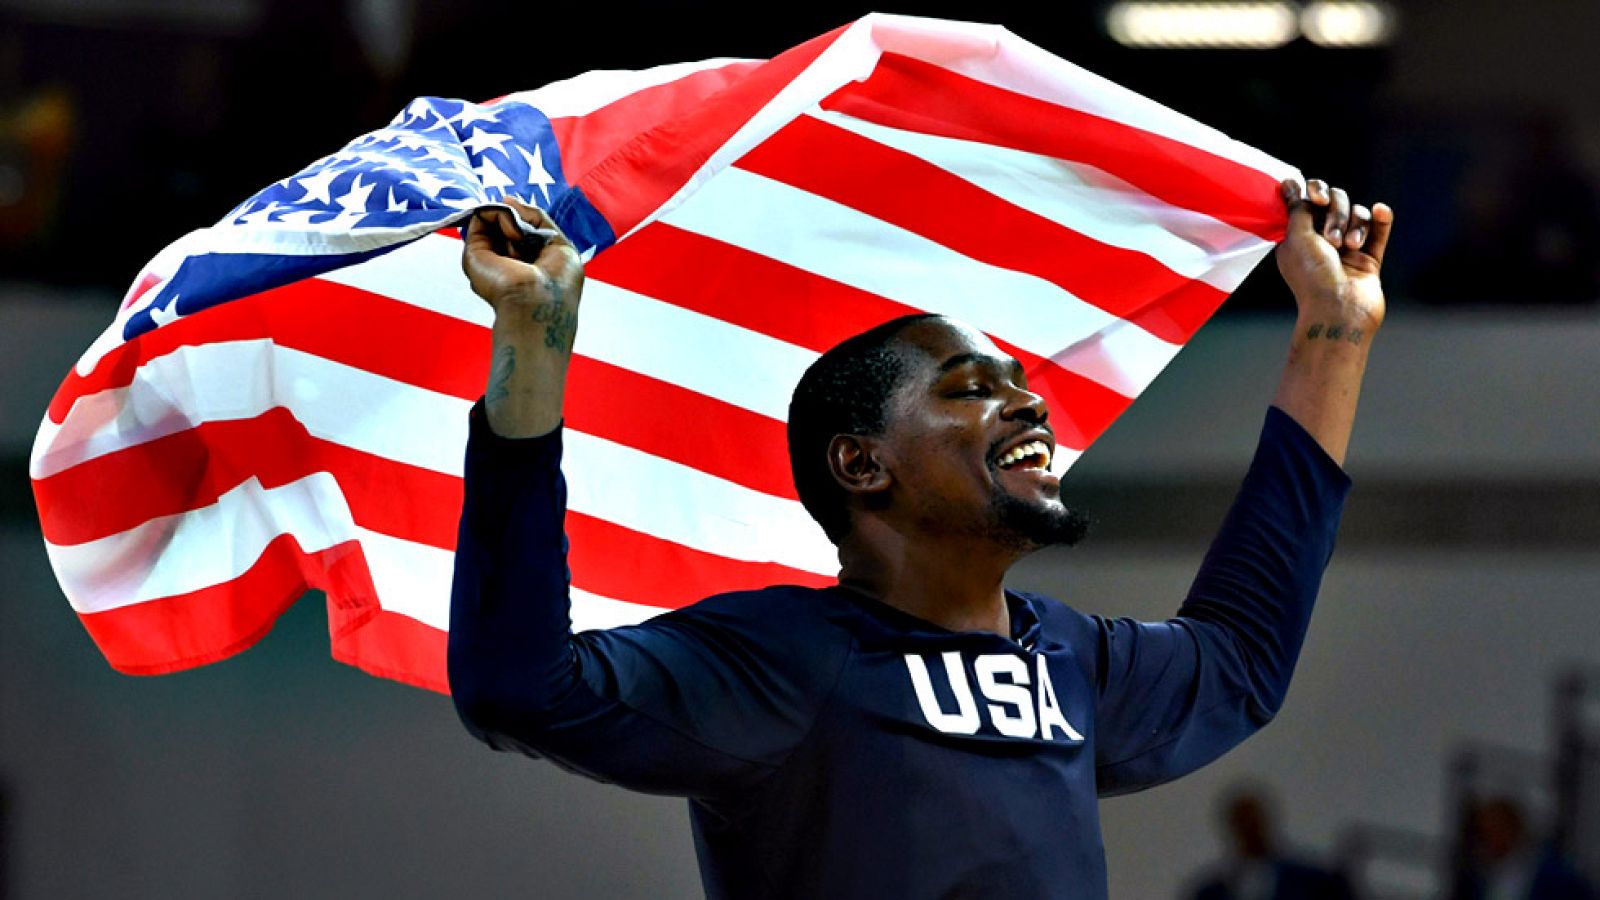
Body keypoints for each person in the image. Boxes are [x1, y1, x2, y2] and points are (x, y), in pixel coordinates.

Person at [447, 178, 1392, 899]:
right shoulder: (784, 659)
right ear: (863, 465)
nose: (1029, 404)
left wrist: (1335, 330)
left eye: (1021, 385)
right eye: (972, 388)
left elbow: (1240, 659)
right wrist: (534, 342)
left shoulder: (1070, 659)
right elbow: (521, 689)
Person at [1188, 784, 1353, 900]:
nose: (1251, 831)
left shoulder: (1313, 881)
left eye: (1254, 823)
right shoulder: (1212, 893)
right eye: (1244, 824)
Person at [1449, 796, 1596, 900]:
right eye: (1485, 833)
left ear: (1514, 828)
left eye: (1497, 830)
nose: (1491, 839)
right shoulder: (1480, 876)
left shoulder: (1556, 875)